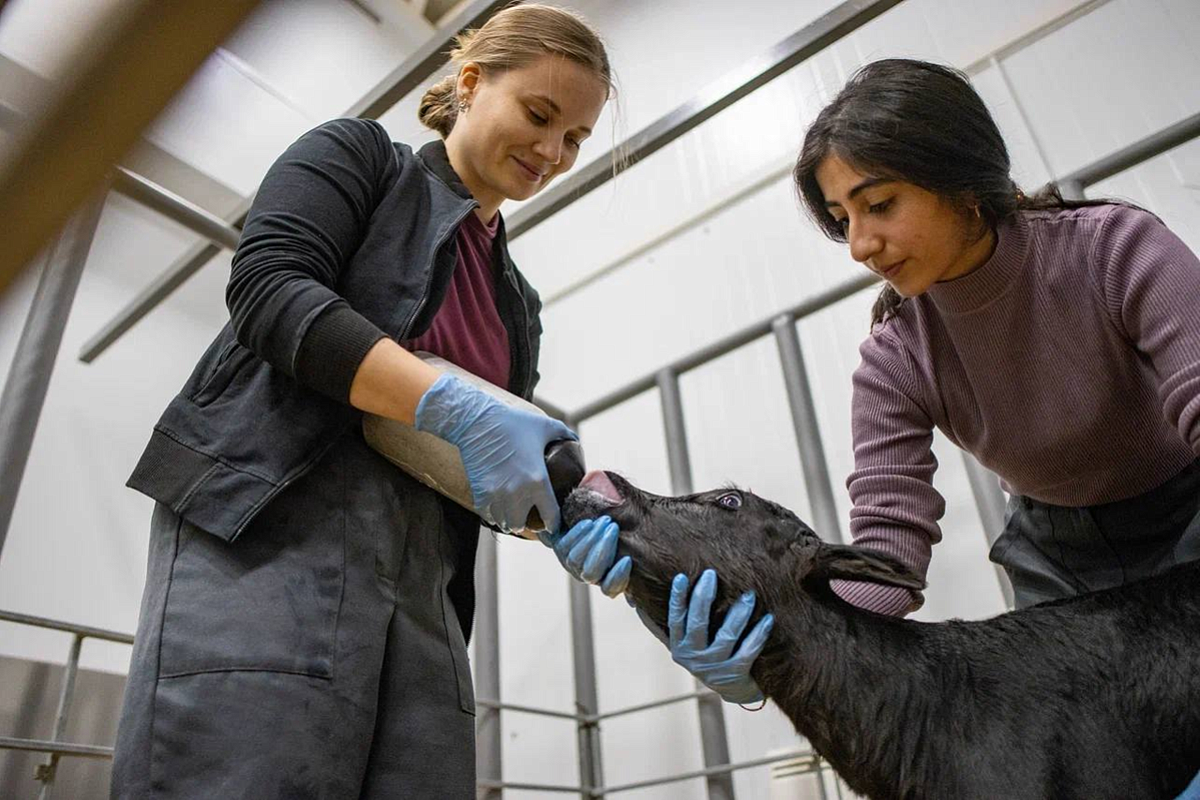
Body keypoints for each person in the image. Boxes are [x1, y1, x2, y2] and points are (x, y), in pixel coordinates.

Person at [567, 58, 1200, 737]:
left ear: (960, 179)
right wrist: (768, 641)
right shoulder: (896, 355)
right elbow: (889, 559)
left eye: (880, 204)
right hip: (1059, 558)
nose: (860, 245)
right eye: (843, 218)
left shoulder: (1112, 250)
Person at [111, 6, 621, 797]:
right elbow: (270, 291)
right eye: (540, 115)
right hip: (275, 532)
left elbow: (480, 469)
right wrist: (450, 402)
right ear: (471, 82)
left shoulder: (518, 304)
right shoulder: (358, 158)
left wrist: (565, 520)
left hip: (426, 589)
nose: (553, 152)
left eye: (576, 139)